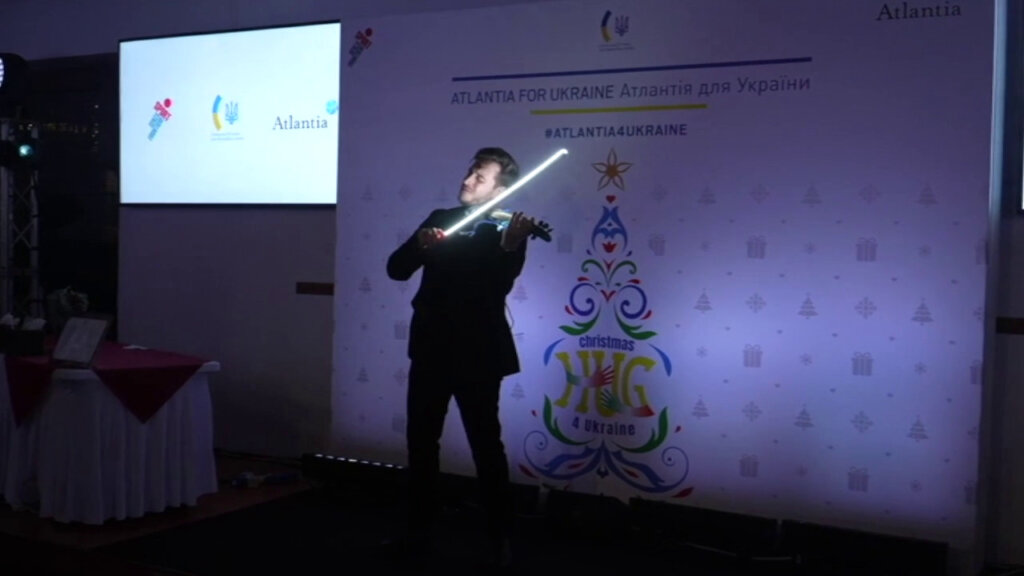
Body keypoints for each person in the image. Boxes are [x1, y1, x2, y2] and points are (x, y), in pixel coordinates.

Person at [386, 147, 536, 569]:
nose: (468, 180)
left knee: (486, 446)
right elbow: (396, 269)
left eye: (480, 177)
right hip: (431, 348)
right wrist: (420, 247)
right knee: (421, 443)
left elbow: (495, 288)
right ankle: (417, 533)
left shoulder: (507, 229)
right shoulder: (440, 218)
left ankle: (498, 538)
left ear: (500, 191)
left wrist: (509, 247)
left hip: (478, 353)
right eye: (471, 172)